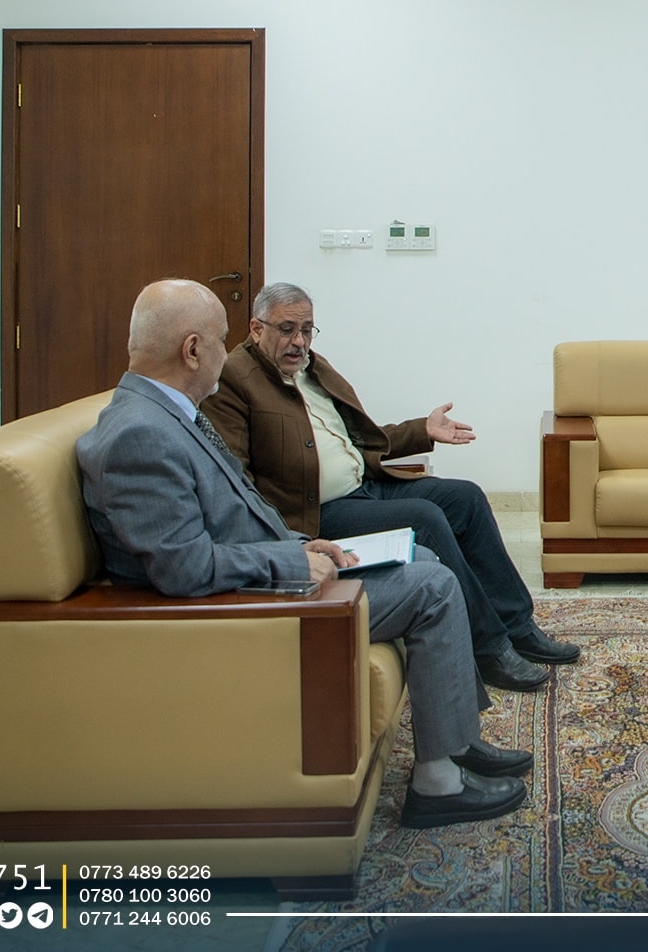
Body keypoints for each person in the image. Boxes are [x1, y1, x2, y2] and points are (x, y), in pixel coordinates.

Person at [76, 280, 531, 829]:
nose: (226, 351)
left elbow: (234, 513)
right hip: (241, 604)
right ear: (193, 350)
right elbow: (183, 568)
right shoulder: (140, 434)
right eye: (220, 339)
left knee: (424, 561)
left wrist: (300, 545)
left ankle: (452, 744)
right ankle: (438, 785)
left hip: (266, 568)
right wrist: (291, 562)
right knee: (431, 586)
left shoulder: (165, 414)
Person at [202, 282, 577, 694]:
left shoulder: (312, 369)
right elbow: (235, 477)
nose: (299, 341)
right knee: (424, 518)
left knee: (465, 497)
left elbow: (361, 439)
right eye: (287, 329)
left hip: (365, 486)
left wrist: (422, 431)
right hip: (314, 513)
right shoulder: (235, 378)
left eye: (307, 330)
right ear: (256, 328)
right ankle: (486, 647)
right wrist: (286, 545)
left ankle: (517, 625)